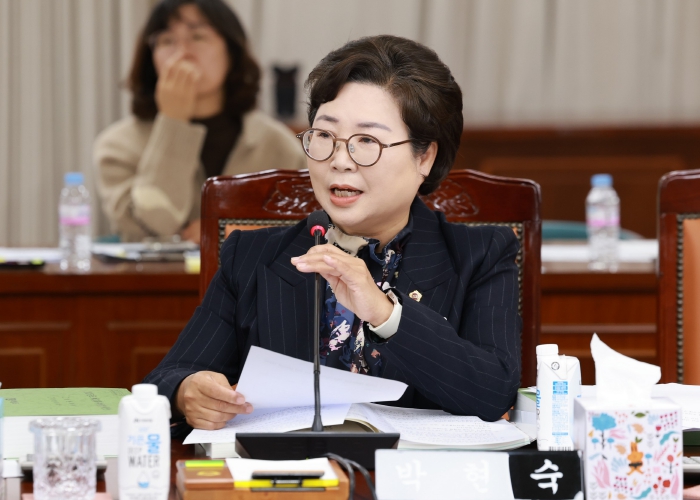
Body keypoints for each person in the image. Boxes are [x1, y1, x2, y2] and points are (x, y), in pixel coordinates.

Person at [144, 35, 522, 431]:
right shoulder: (252, 255)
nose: (339, 161)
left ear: (424, 156)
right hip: (288, 467)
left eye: (367, 141)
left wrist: (384, 314)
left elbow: (493, 392)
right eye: (324, 136)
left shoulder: (480, 255)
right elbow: (167, 378)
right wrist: (188, 392)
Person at [93, 0, 306, 243]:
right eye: (167, 41)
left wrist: (235, 230)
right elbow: (154, 226)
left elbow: (308, 231)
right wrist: (173, 123)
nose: (182, 53)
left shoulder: (277, 145)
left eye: (198, 37)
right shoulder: (117, 145)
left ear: (231, 52)